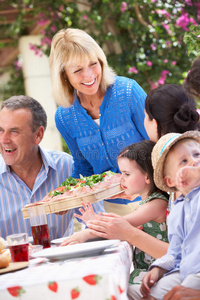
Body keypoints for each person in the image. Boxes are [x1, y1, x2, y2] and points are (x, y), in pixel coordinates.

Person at [49, 27, 149, 216]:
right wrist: (65, 196)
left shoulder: (128, 92)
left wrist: (143, 186)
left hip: (152, 201)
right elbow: (83, 167)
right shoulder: (64, 116)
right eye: (77, 70)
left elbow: (157, 147)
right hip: (112, 211)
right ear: (64, 76)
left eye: (93, 64)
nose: (89, 75)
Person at [0, 95, 103, 241]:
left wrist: (85, 235)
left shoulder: (68, 167)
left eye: (14, 131)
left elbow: (97, 222)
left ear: (38, 135)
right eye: (0, 130)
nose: (4, 139)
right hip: (14, 262)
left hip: (63, 261)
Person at [74, 140, 169, 285]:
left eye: (127, 173)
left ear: (148, 177)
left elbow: (120, 224)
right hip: (147, 268)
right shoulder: (146, 202)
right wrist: (93, 221)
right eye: (120, 172)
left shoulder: (157, 203)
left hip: (159, 271)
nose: (121, 178)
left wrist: (83, 234)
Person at [140, 131, 200, 299]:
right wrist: (158, 269)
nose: (194, 162)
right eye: (184, 161)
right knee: (151, 294)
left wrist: (195, 172)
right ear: (171, 182)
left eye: (197, 154)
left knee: (181, 293)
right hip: (185, 269)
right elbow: (175, 251)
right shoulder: (177, 210)